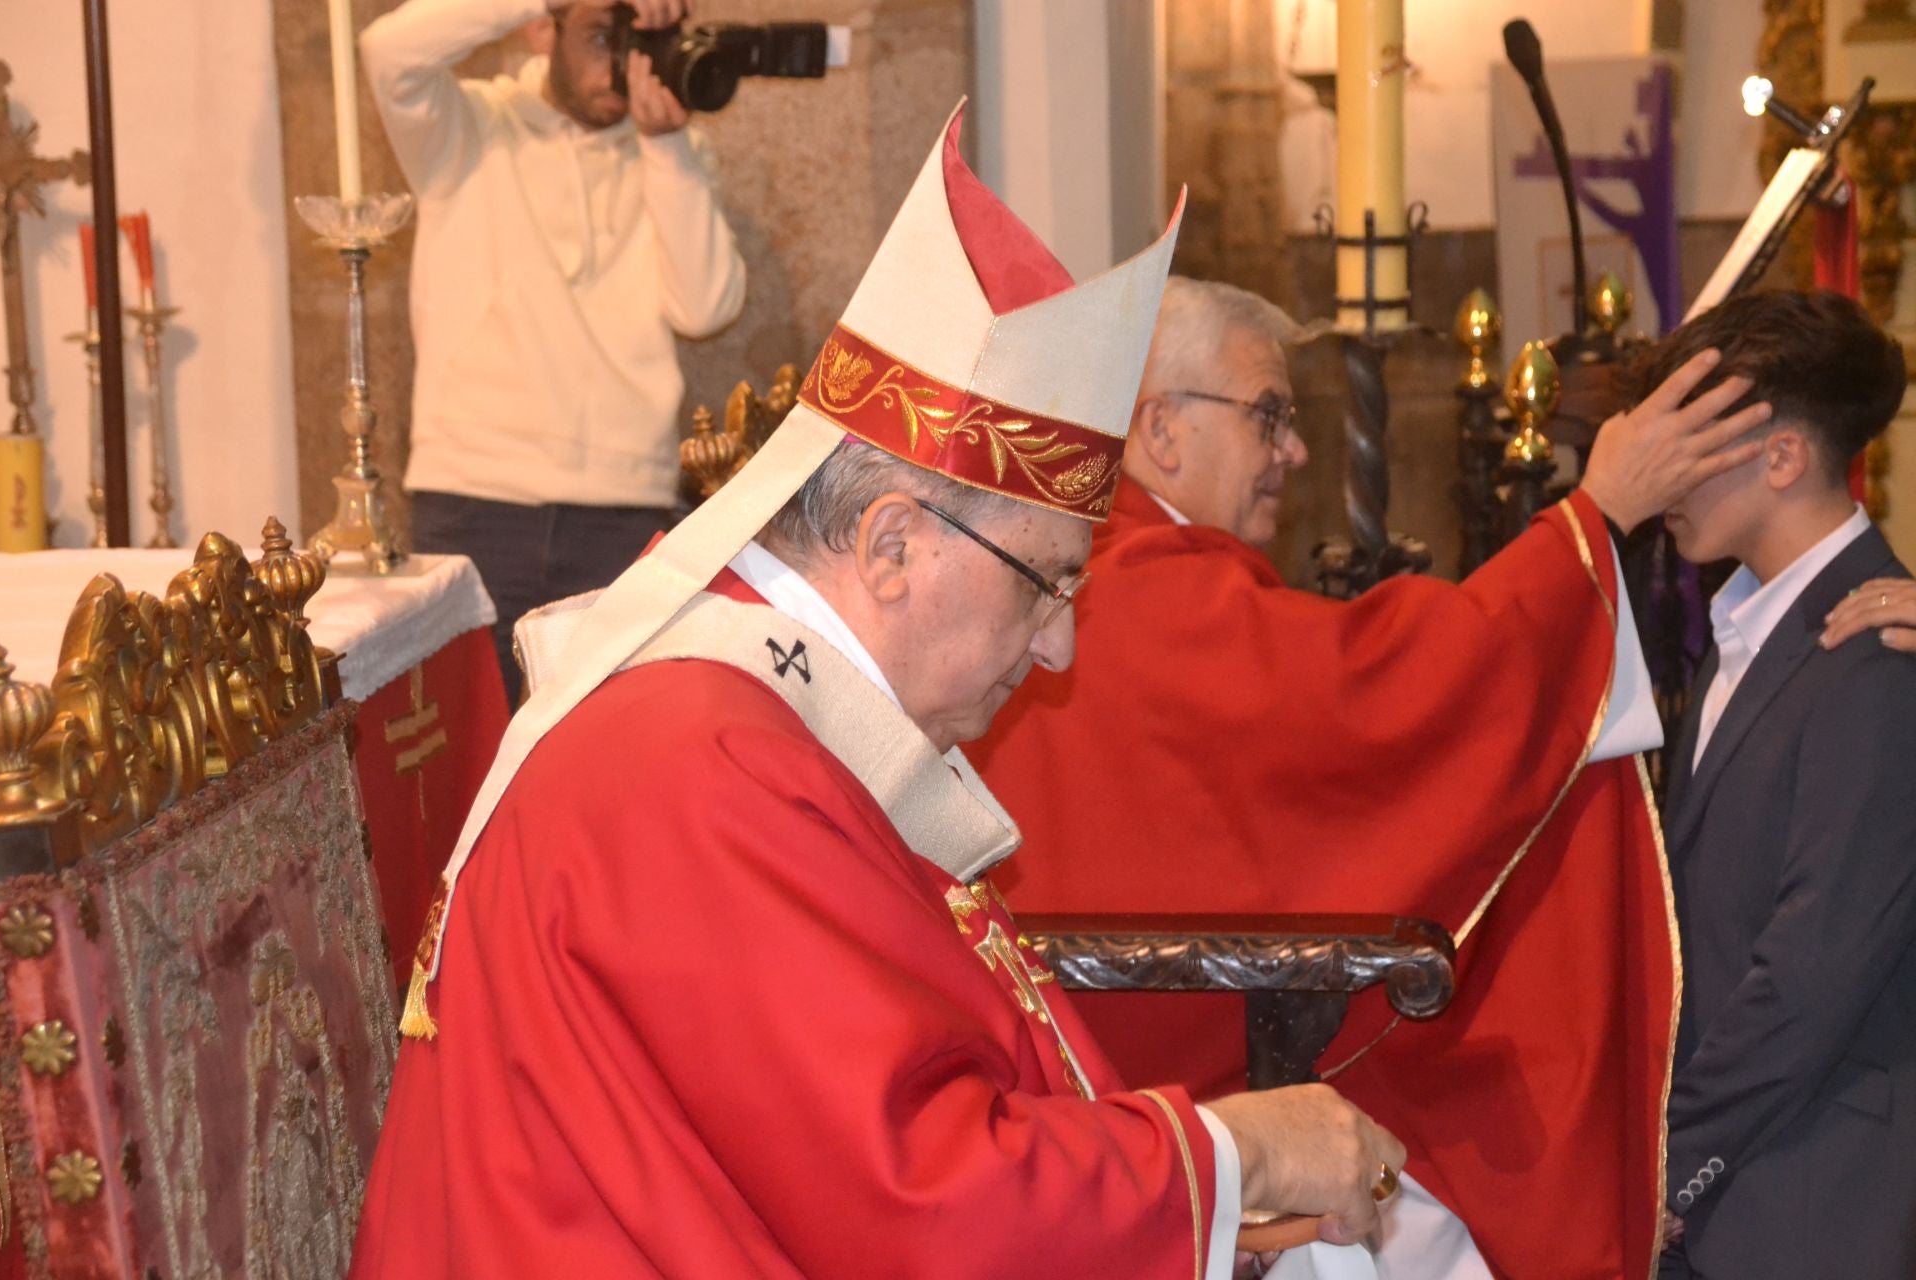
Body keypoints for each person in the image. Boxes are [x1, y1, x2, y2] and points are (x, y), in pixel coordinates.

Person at [350, 108, 1407, 1280]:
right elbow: (922, 1206)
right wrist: (1234, 1156)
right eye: (1046, 583)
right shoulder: (701, 766)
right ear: (892, 543)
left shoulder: (767, 714)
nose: (1058, 650)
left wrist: (1185, 1214)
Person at [968, 277, 1781, 1279]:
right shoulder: (1143, 590)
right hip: (1184, 1078)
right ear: (1161, 430)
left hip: (1104, 1069)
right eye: (1268, 414)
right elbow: (1373, 704)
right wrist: (1593, 519)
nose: (1295, 452)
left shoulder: (1107, 566)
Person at [360, 0, 745, 703]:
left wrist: (666, 147)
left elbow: (706, 307)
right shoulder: (468, 126)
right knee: (475, 757)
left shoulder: (672, 149)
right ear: (544, 29)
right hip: (475, 502)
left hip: (622, 509)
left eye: (640, 42)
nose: (620, 66)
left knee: (607, 760)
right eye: (603, 34)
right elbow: (390, 49)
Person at [1643, 291, 1915, 1279]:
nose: (1662, 465)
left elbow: (1811, 972)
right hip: (1741, 1196)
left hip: (1811, 1204)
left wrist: (1670, 1163)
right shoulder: (1742, 635)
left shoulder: (1880, 652)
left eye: (1693, 435)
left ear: (1784, 456)